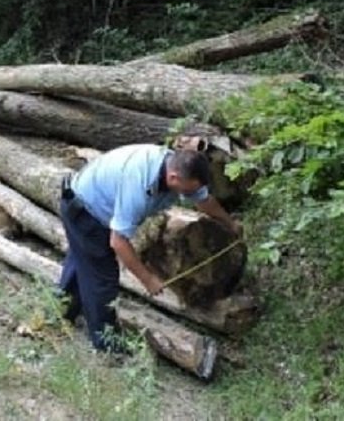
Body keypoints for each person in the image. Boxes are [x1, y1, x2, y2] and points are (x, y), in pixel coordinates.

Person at [59, 143, 240, 352]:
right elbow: (118, 242)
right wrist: (148, 279)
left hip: (94, 204)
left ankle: (61, 308)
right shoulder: (139, 185)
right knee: (102, 279)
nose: (192, 193)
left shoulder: (178, 169)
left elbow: (204, 200)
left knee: (84, 261)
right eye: (188, 189)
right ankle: (107, 343)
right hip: (85, 211)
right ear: (173, 178)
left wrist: (230, 223)